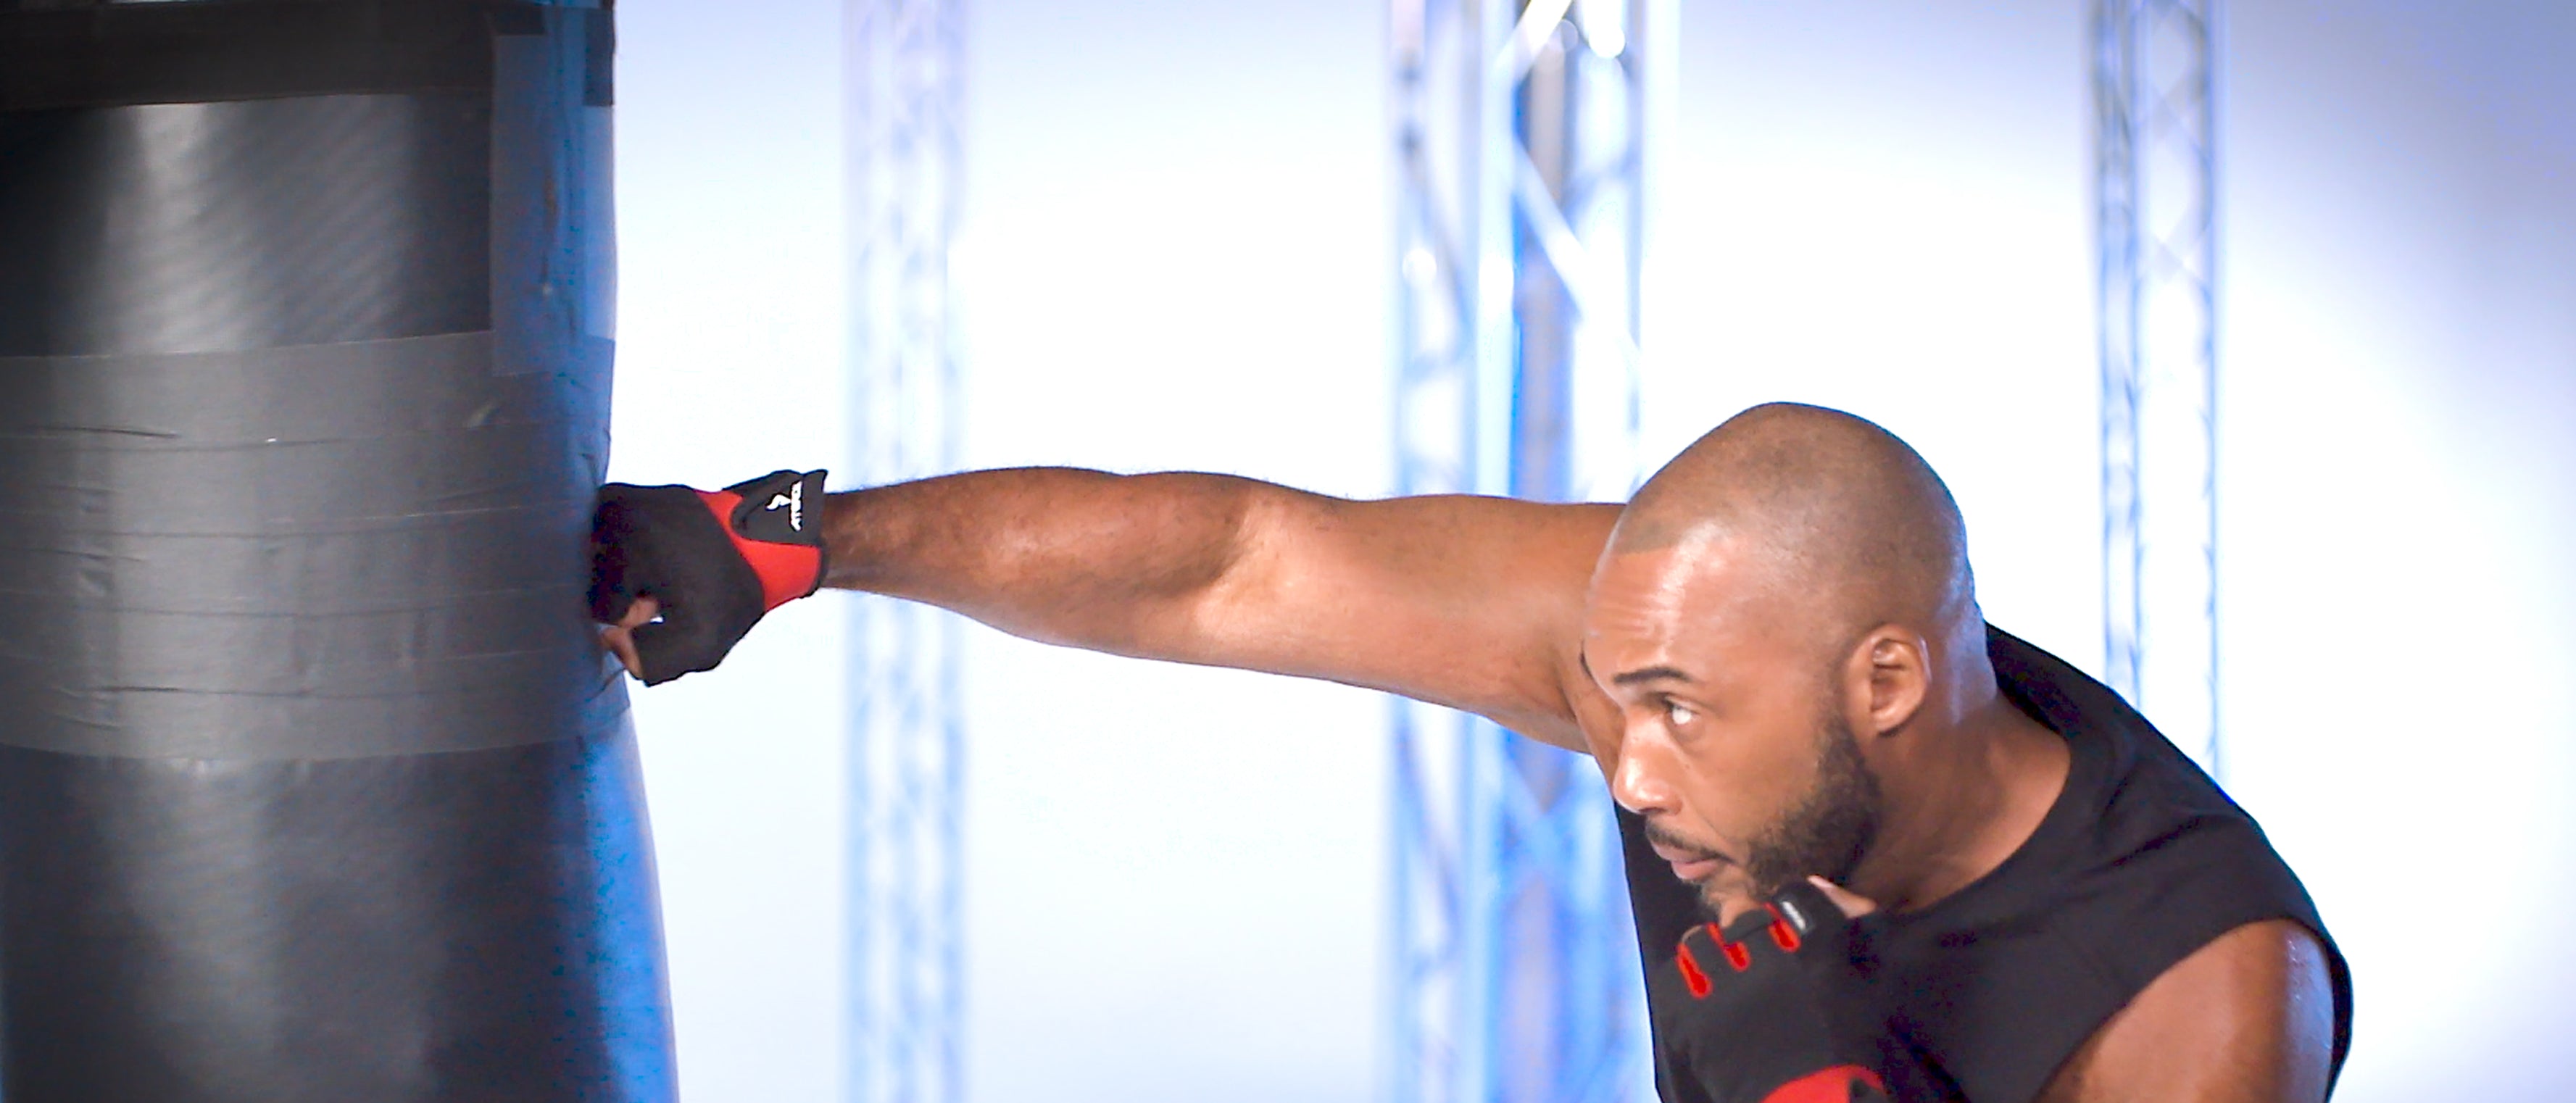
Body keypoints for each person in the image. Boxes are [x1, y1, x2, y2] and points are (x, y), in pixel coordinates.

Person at [589, 402, 2351, 1103]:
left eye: (1678, 715)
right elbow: (1236, 560)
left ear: (1883, 679)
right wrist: (797, 533)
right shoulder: (1684, 662)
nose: (1628, 764)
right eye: (1617, 693)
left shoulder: (2196, 1006)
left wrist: (1810, 1074)